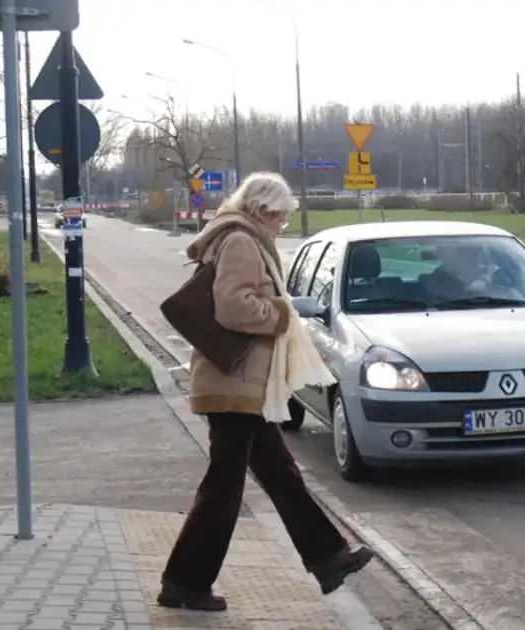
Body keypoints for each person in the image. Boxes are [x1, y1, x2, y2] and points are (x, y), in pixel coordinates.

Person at [158, 172, 374, 612]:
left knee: (279, 474)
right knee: (225, 487)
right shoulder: (241, 241)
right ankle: (184, 582)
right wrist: (282, 311)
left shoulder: (241, 235)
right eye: (281, 219)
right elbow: (233, 306)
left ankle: (329, 558)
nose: (282, 227)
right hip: (234, 384)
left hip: (242, 383)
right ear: (264, 211)